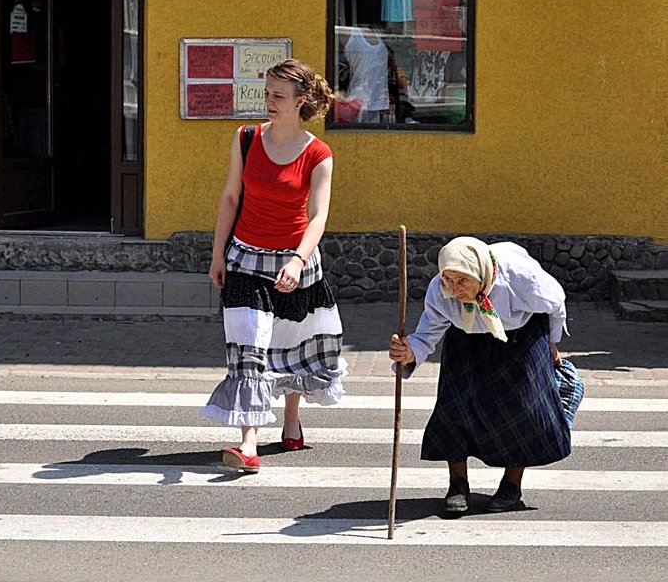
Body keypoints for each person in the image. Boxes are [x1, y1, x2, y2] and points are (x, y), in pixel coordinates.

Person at [201, 59, 347, 473]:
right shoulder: (246, 138)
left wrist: (299, 261)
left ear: (301, 101)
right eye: (266, 94)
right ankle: (248, 443)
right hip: (245, 257)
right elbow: (230, 197)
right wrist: (217, 254)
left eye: (278, 96)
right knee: (248, 349)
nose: (268, 102)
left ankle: (291, 420)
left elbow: (318, 216)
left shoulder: (318, 153)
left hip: (294, 261)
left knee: (290, 345)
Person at [389, 236, 572, 513]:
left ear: (480, 273)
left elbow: (555, 303)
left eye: (462, 281)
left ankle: (511, 487)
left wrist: (552, 343)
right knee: (455, 407)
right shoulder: (441, 291)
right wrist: (408, 352)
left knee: (522, 410)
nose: (454, 288)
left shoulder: (520, 279)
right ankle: (458, 485)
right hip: (466, 335)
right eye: (448, 279)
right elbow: (427, 332)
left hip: (522, 335)